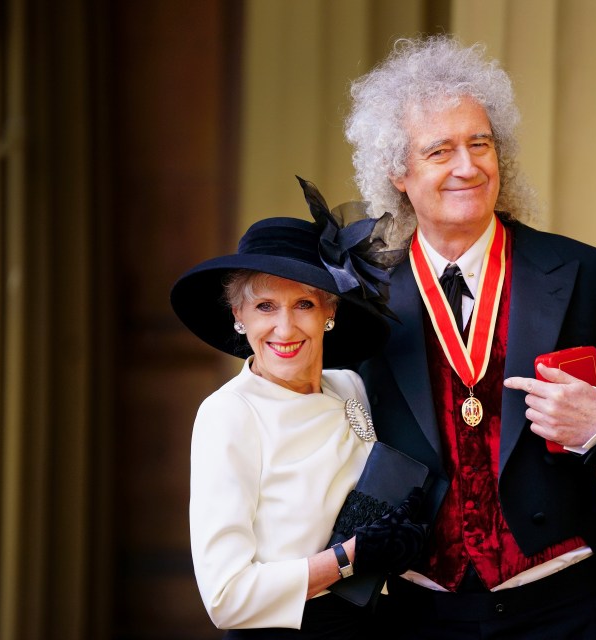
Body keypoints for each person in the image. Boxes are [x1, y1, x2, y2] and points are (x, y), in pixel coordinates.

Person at [346, 36, 596, 638]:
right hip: (416, 618)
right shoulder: (357, 300)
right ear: (398, 172)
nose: (467, 166)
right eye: (440, 150)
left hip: (571, 612)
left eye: (480, 143)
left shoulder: (593, 277)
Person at [170, 178, 426, 638]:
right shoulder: (228, 414)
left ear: (329, 311)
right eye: (265, 306)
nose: (284, 329)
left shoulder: (350, 387)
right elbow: (226, 598)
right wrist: (347, 560)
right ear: (238, 315)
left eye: (303, 304)